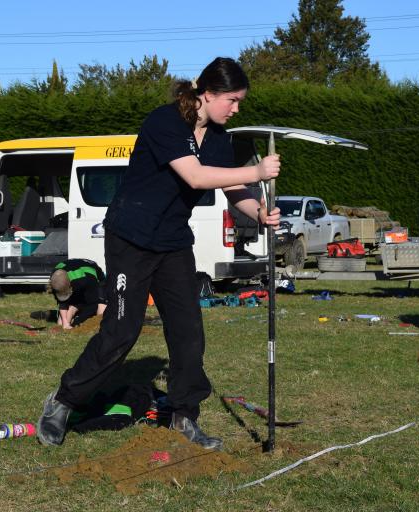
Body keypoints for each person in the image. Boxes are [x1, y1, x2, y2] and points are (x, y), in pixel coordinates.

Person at [37, 57, 281, 449]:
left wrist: (260, 211)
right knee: (121, 331)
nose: (237, 109)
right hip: (130, 238)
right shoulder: (164, 122)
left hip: (173, 243)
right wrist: (257, 172)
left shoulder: (219, 137)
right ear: (209, 93)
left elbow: (232, 190)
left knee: (188, 331)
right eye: (232, 100)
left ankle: (185, 416)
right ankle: (62, 402)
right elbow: (197, 176)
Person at [48, 259, 107, 330]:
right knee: (61, 324)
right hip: (73, 275)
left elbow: (93, 305)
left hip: (95, 277)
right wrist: (65, 322)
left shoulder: (85, 280)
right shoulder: (55, 279)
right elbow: (62, 302)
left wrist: (76, 322)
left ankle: (77, 311)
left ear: (70, 286)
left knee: (100, 316)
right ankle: (74, 309)